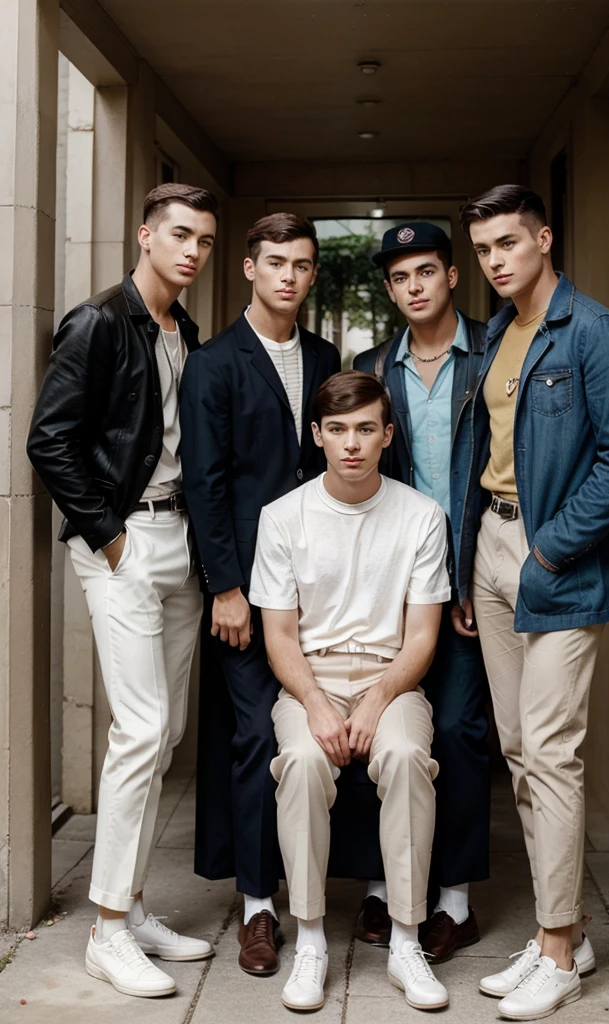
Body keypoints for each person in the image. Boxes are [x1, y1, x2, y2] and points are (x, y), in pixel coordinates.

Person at [455, 184, 609, 1020]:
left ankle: (564, 949)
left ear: (543, 237)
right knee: (517, 751)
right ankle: (549, 937)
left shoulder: (597, 333)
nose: (496, 260)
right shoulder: (498, 333)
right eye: (485, 249)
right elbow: (485, 456)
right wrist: (474, 560)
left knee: (551, 751)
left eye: (508, 242)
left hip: (556, 561)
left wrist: (546, 546)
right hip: (492, 558)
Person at [27, 183, 219, 997]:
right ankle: (106, 931)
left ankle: (132, 904)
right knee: (141, 729)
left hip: (179, 540)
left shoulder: (183, 329)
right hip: (125, 540)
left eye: (205, 241)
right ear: (145, 234)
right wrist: (107, 534)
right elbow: (50, 437)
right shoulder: (101, 319)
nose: (193, 252)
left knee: (166, 729)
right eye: (180, 235)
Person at [249, 370, 451, 1012]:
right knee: (304, 761)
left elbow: (422, 638)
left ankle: (405, 939)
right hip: (311, 677)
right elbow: (278, 638)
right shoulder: (283, 517)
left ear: (388, 435)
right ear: (317, 436)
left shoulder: (422, 516)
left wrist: (374, 699)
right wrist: (314, 703)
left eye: (366, 428)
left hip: (393, 680)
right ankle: (310, 941)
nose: (352, 443)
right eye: (337, 429)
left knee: (404, 758)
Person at [179, 213, 340, 976]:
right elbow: (204, 484)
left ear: (312, 276)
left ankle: (331, 886)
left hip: (322, 587)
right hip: (247, 589)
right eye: (274, 261)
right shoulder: (213, 363)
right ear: (248, 268)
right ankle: (256, 907)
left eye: (301, 265)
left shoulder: (324, 355)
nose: (288, 275)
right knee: (252, 740)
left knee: (320, 729)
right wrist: (226, 587)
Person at [353, 221, 490, 962]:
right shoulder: (374, 366)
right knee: (379, 730)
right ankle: (379, 885)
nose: (414, 287)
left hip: (465, 582)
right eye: (401, 277)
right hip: (395, 590)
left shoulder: (491, 354)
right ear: (391, 287)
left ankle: (455, 901)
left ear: (451, 276)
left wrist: (473, 573)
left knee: (463, 733)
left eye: (426, 273)